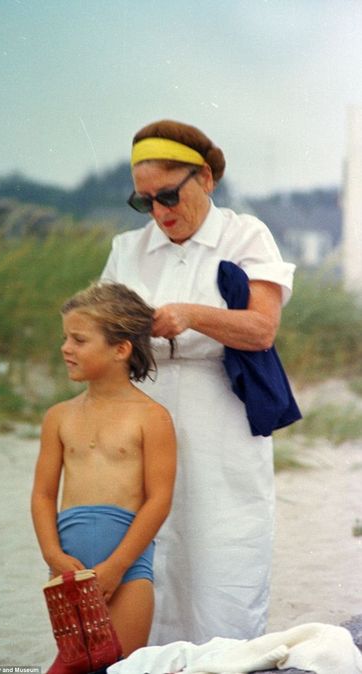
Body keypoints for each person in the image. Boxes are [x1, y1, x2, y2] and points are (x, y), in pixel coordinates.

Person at [101, 119, 298, 645]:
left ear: (205, 178)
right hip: (145, 411)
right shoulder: (127, 250)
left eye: (169, 195)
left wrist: (191, 315)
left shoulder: (245, 235)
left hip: (220, 417)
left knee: (223, 545)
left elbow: (261, 329)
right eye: (145, 202)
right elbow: (101, 333)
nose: (161, 212)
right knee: (153, 545)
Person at [31, 281, 177, 657]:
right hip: (68, 566)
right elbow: (44, 495)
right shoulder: (58, 417)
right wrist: (52, 555)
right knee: (77, 661)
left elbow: (159, 500)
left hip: (126, 567)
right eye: (65, 338)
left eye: (79, 340)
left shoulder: (152, 417)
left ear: (121, 349)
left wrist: (117, 566)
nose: (65, 348)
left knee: (121, 664)